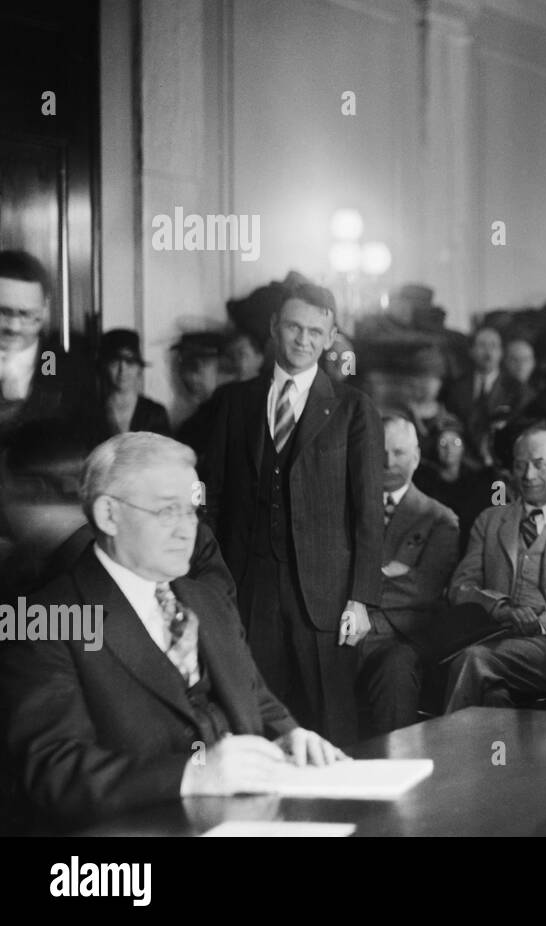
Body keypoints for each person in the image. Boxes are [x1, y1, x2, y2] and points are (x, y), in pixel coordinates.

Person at [0, 433, 344, 826]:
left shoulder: (209, 602)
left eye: (192, 511)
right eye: (167, 512)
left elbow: (258, 702)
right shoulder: (47, 618)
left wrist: (289, 738)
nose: (188, 531)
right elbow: (53, 772)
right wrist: (192, 775)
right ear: (109, 515)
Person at [203, 282, 384, 745]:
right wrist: (212, 584)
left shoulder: (353, 408)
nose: (303, 340)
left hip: (324, 594)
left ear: (330, 338)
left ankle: (344, 812)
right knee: (253, 717)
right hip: (249, 586)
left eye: (315, 331)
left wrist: (361, 599)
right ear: (273, 328)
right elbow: (213, 499)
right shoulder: (234, 403)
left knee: (330, 721)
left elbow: (367, 512)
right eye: (293, 327)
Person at [444, 428, 546, 711]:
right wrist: (501, 608)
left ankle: (446, 752)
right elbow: (460, 588)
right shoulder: (489, 521)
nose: (528, 475)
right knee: (491, 692)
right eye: (520, 465)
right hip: (491, 634)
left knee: (474, 661)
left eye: (539, 464)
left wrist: (543, 623)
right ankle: (498, 746)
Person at [358, 415, 460, 736]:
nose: (388, 462)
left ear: (416, 457)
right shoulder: (347, 510)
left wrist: (358, 590)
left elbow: (423, 590)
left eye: (399, 453)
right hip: (342, 628)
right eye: (380, 451)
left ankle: (395, 770)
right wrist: (388, 574)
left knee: (396, 671)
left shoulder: (440, 519)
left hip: (402, 637)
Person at [0, 250, 87, 441]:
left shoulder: (65, 367)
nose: (14, 327)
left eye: (26, 314)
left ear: (45, 310)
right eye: (3, 312)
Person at [444, 325, 529, 464]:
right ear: (471, 351)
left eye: (494, 346)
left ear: (501, 352)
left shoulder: (516, 389)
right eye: (482, 345)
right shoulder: (456, 388)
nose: (488, 352)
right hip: (463, 462)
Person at [413, 422, 495, 558]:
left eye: (455, 442)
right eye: (443, 443)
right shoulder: (423, 481)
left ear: (463, 446)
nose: (449, 449)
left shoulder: (476, 481)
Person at [84, 329, 170, 445]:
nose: (122, 370)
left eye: (129, 362)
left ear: (139, 368)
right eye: (114, 362)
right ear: (104, 367)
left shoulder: (155, 413)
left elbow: (166, 458)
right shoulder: (91, 413)